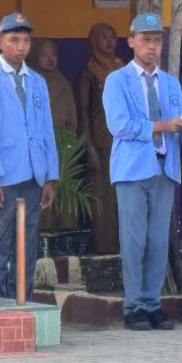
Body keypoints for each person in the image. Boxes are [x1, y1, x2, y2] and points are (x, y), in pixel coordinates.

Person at [102, 12, 182, 331]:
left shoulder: (170, 82)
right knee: (134, 240)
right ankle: (133, 305)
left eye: (157, 40)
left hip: (165, 167)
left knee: (157, 240)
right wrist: (162, 125)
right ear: (132, 42)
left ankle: (152, 303)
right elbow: (119, 125)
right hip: (132, 170)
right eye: (146, 40)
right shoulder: (117, 80)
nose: (152, 47)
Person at [0, 12, 59, 299]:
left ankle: (24, 303)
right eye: (14, 40)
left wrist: (50, 177)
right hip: (4, 176)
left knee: (27, 247)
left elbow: (47, 131)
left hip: (33, 174)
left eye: (26, 40)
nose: (21, 47)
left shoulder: (36, 81)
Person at [73, 23, 123, 254]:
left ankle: (125, 248)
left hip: (124, 143)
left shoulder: (123, 68)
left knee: (122, 197)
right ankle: (106, 250)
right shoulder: (88, 73)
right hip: (101, 144)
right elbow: (82, 111)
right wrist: (89, 147)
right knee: (102, 198)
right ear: (93, 41)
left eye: (113, 37)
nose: (110, 42)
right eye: (104, 37)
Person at [29, 38, 77, 132]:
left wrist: (70, 139)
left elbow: (72, 114)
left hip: (61, 140)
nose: (50, 59)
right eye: (44, 55)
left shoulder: (63, 83)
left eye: (53, 54)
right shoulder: (30, 82)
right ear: (35, 57)